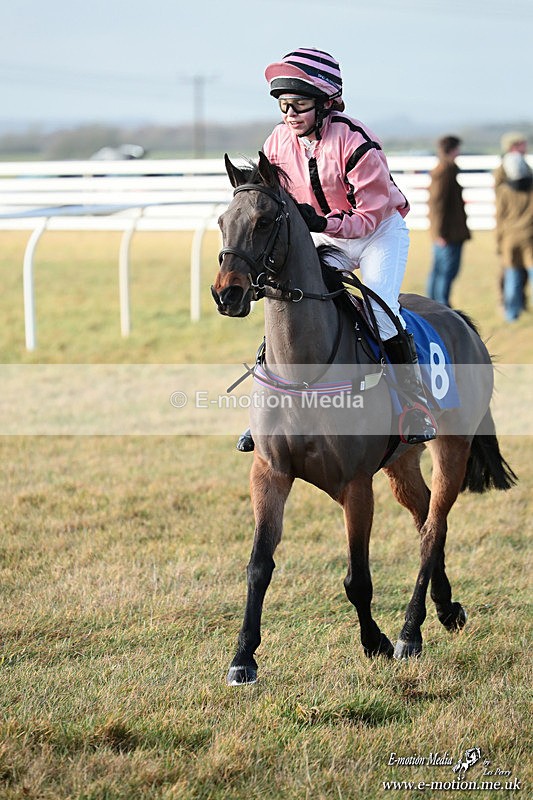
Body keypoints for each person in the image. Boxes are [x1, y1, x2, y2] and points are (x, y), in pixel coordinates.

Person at [236, 47, 437, 451]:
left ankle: (413, 404)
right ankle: (264, 408)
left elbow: (369, 216)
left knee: (381, 310)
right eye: (284, 105)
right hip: (329, 234)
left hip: (378, 232)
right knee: (285, 298)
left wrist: (320, 223)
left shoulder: (357, 142)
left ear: (326, 105)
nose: (290, 114)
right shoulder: (276, 142)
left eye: (300, 105)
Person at [426, 135, 471, 307]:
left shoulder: (442, 169)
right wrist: (440, 233)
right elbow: (438, 204)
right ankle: (441, 306)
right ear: (453, 149)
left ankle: (435, 304)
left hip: (446, 231)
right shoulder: (446, 170)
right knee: (445, 271)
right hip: (449, 233)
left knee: (439, 271)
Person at [494, 132, 533, 321]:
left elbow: (500, 217)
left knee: (512, 277)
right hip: (530, 236)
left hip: (510, 237)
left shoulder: (503, 191)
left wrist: (499, 240)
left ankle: (511, 314)